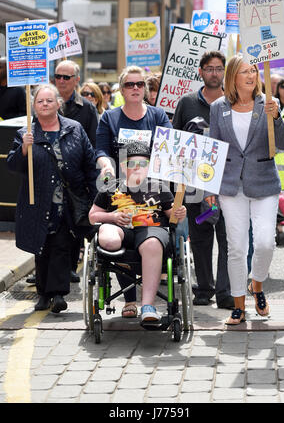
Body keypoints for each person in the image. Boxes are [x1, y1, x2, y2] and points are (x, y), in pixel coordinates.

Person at [205, 54, 284, 325]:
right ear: (233, 77)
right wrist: (209, 187)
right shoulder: (219, 107)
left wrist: (276, 117)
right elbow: (213, 149)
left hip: (264, 183)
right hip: (230, 186)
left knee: (265, 242)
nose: (251, 75)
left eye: (253, 70)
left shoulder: (268, 103)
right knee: (236, 247)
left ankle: (258, 284)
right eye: (244, 71)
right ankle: (238, 305)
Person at [7, 84, 98, 313]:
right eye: (40, 101)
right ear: (34, 106)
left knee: (61, 244)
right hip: (37, 201)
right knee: (42, 247)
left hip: (68, 200)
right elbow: (12, 165)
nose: (45, 104)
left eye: (49, 100)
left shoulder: (74, 128)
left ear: (59, 103)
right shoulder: (25, 133)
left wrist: (95, 195)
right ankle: (43, 294)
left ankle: (57, 294)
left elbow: (89, 162)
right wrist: (24, 149)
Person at [96, 65, 172, 318]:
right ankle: (129, 298)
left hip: (151, 189)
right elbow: (102, 150)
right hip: (118, 185)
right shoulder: (110, 117)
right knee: (115, 236)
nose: (136, 88)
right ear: (122, 88)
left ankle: (148, 304)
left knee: (158, 232)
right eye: (130, 84)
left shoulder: (158, 116)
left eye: (140, 84)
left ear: (146, 89)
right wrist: (107, 165)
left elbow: (167, 151)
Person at [89, 141, 186, 322]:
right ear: (123, 167)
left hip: (152, 231)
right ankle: (130, 299)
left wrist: (180, 212)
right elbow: (93, 216)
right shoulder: (110, 187)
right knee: (109, 239)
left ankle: (147, 306)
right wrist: (113, 216)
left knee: (151, 244)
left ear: (149, 166)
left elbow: (173, 216)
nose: (136, 168)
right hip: (121, 230)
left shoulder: (159, 187)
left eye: (142, 164)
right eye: (131, 164)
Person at [172, 50, 234, 309]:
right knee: (200, 236)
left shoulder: (233, 100)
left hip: (227, 182)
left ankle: (225, 291)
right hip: (196, 184)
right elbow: (174, 140)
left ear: (224, 72)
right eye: (209, 68)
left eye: (219, 68)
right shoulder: (186, 103)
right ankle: (205, 288)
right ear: (200, 71)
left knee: (227, 236)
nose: (214, 73)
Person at [55, 60, 98, 281]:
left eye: (66, 77)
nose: (61, 81)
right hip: (52, 177)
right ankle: (48, 270)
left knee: (74, 224)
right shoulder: (45, 102)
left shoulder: (87, 108)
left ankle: (71, 266)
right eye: (58, 76)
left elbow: (92, 144)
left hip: (76, 178)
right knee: (53, 225)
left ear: (76, 80)